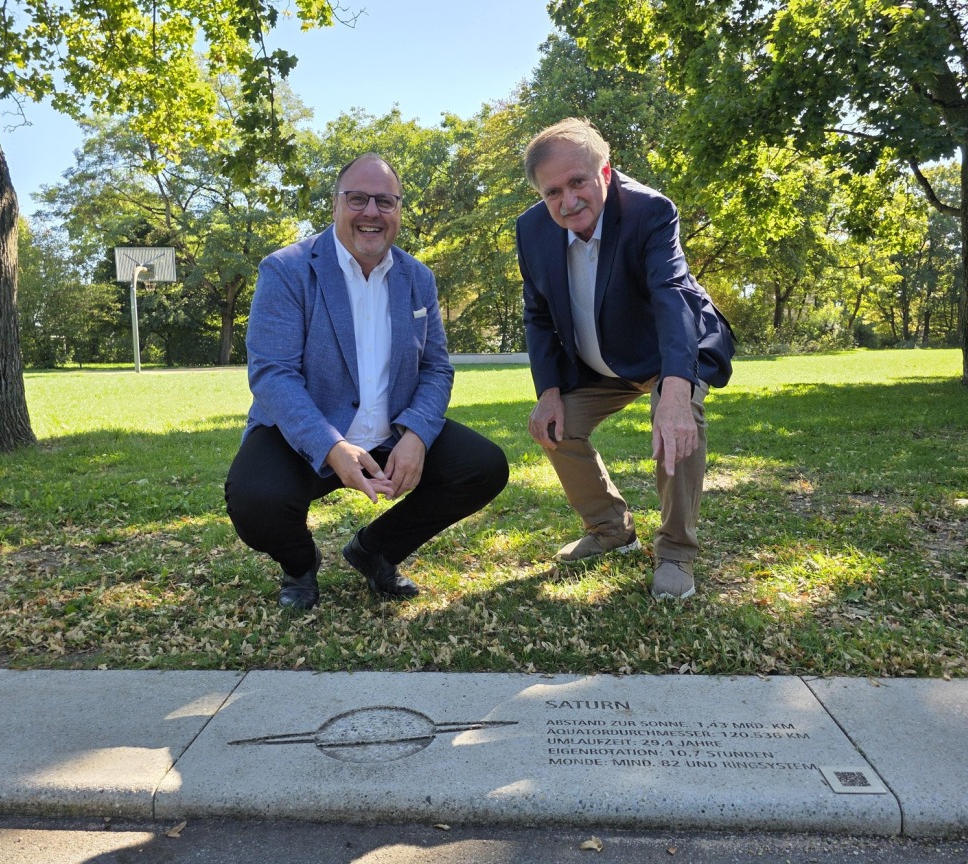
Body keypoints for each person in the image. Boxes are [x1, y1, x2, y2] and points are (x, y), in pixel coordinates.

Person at [225, 154, 509, 610]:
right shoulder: (286, 269)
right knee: (255, 499)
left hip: (389, 433)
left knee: (482, 467)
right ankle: (300, 566)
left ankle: (375, 550)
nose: (371, 212)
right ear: (335, 204)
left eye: (385, 201)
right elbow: (272, 374)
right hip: (304, 435)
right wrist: (331, 447)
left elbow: (436, 367)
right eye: (357, 199)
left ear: (398, 210)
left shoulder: (418, 278)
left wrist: (416, 434)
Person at [516, 119, 735, 601]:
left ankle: (676, 551)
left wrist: (676, 393)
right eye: (553, 192)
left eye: (578, 182)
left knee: (677, 418)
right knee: (556, 426)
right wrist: (548, 393)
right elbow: (537, 315)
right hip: (600, 363)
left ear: (606, 172)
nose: (568, 201)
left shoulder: (649, 211)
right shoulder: (531, 231)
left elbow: (671, 295)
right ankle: (612, 529)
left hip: (668, 349)